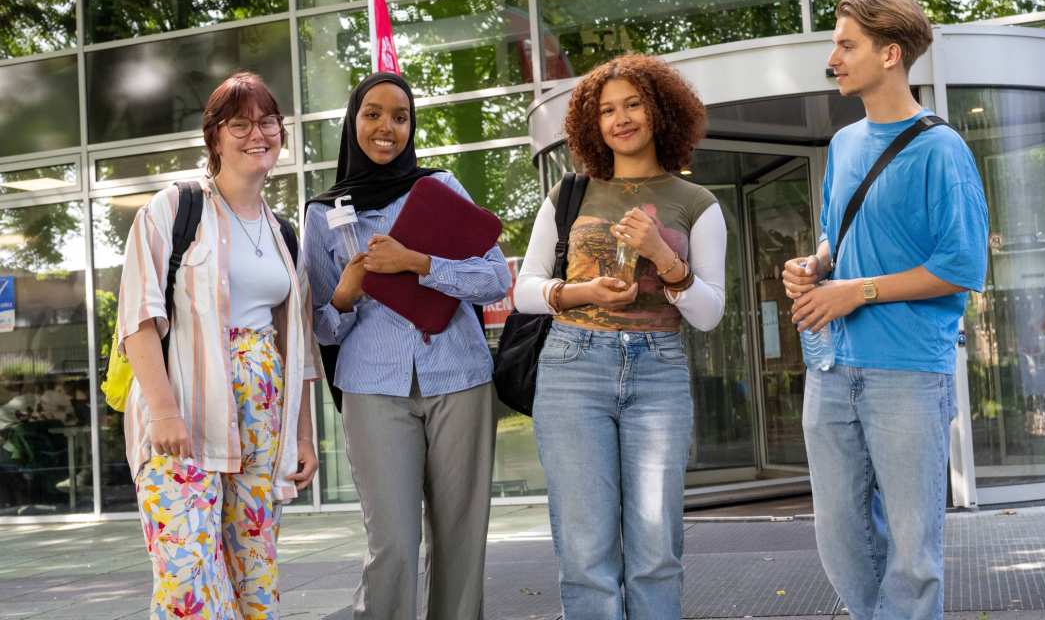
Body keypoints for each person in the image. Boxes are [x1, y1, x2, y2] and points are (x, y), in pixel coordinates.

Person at [782, 0, 989, 620]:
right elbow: (834, 234)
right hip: (831, 366)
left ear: (890, 54)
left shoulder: (940, 149)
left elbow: (961, 267)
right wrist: (815, 265)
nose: (833, 58)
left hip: (907, 371)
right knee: (841, 540)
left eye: (847, 45)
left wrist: (858, 290)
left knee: (911, 550)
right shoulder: (844, 144)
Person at [514, 53, 726, 619]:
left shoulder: (697, 204)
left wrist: (663, 256)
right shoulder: (568, 196)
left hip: (658, 369)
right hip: (572, 366)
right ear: (593, 124)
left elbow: (709, 313)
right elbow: (524, 290)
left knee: (656, 550)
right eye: (607, 110)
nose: (621, 118)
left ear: (659, 111)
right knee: (585, 551)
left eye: (633, 104)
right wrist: (581, 293)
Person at [303, 72, 511, 620]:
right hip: (373, 388)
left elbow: (495, 280)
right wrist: (346, 296)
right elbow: (320, 327)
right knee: (392, 543)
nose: (386, 127)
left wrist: (419, 264)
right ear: (353, 122)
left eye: (400, 116)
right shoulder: (322, 212)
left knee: (461, 539)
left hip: (459, 377)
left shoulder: (440, 187)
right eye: (373, 113)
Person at [117, 72, 322, 619]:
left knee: (254, 571)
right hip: (183, 418)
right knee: (188, 580)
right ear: (215, 137)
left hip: (262, 423)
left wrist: (302, 434)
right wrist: (162, 412)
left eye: (268, 122)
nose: (258, 134)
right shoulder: (174, 208)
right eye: (240, 124)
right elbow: (138, 316)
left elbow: (296, 343)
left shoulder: (283, 233)